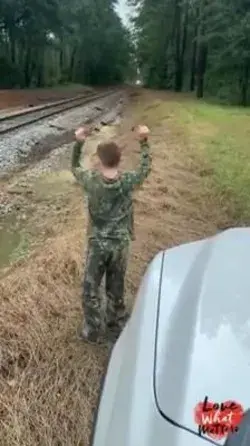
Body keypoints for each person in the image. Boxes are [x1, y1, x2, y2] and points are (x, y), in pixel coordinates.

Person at [71, 124, 152, 344]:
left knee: (90, 287)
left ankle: (92, 329)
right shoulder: (127, 182)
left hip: (97, 244)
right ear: (119, 160)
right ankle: (115, 324)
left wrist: (78, 143)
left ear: (99, 159)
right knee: (116, 286)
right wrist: (144, 141)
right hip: (120, 244)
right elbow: (145, 168)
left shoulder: (91, 181)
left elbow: (75, 167)